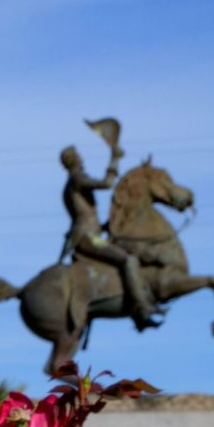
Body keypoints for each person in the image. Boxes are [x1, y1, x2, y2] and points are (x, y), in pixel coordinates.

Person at [59, 119, 159, 331]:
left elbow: (88, 215)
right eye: (78, 157)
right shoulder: (77, 178)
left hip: (92, 233)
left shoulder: (71, 184)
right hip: (88, 237)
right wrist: (114, 160)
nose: (82, 160)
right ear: (73, 161)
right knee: (128, 259)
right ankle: (141, 307)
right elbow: (106, 183)